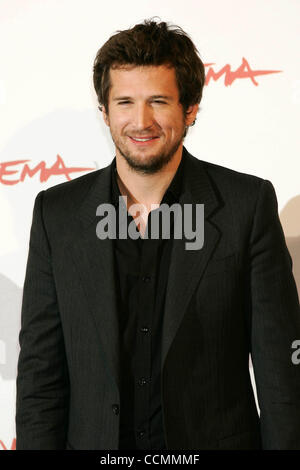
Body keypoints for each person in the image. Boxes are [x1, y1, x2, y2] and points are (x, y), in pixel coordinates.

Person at [16, 19, 300, 450]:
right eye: (125, 102)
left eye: (159, 101)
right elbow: (40, 371)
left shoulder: (247, 205)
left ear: (190, 109)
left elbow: (282, 371)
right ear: (105, 112)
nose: (140, 121)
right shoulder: (58, 214)